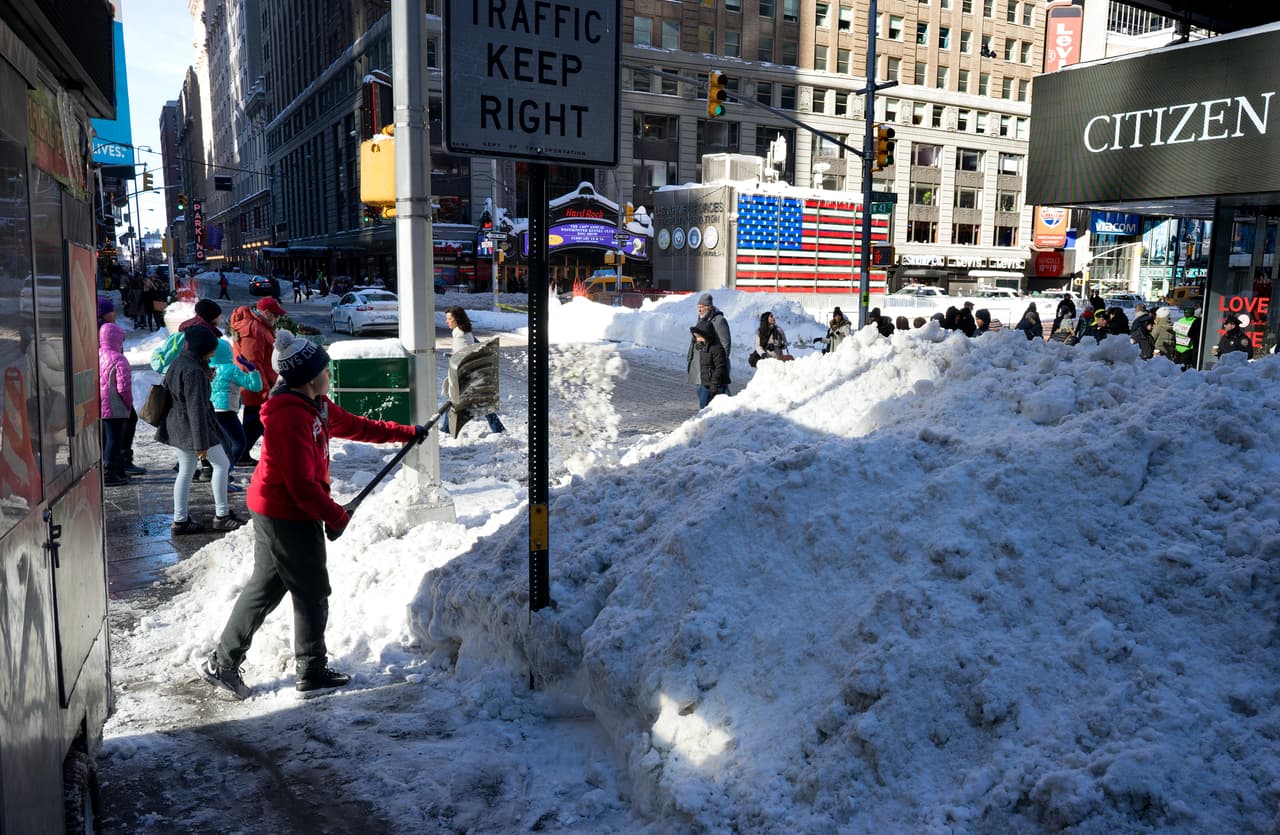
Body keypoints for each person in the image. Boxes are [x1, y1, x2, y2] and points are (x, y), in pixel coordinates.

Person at [200, 331, 426, 699]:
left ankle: (224, 662)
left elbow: (357, 426)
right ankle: (311, 669)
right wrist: (335, 516)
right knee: (311, 590)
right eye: (325, 370)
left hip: (284, 507)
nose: (330, 375)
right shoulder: (289, 418)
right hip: (284, 511)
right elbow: (301, 487)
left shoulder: (316, 406)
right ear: (307, 376)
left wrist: (406, 433)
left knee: (267, 586)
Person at [156, 325, 244, 535]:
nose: (213, 353)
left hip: (178, 426)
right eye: (211, 349)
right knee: (222, 464)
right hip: (192, 428)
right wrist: (201, 444)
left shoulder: (180, 362)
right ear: (202, 349)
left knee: (185, 473)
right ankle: (221, 516)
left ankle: (180, 520)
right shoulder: (194, 372)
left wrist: (206, 374)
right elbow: (195, 409)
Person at [230, 297, 285, 465]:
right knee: (257, 421)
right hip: (257, 384)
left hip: (259, 382)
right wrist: (264, 389)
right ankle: (238, 454)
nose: (277, 319)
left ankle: (241, 454)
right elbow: (252, 362)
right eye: (276, 315)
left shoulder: (259, 326)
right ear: (267, 313)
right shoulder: (253, 328)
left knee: (255, 422)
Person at [211, 336, 263, 490]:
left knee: (220, 444)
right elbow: (255, 386)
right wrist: (252, 370)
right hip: (226, 412)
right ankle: (223, 477)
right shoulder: (232, 369)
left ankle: (220, 475)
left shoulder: (207, 368)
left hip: (210, 411)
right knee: (239, 444)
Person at [442, 306, 505, 433]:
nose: (446, 321)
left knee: (455, 402)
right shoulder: (465, 332)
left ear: (457, 319)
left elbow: (463, 357)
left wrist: (455, 356)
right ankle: (498, 429)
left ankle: (445, 430)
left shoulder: (459, 334)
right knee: (481, 403)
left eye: (449, 319)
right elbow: (471, 348)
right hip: (472, 376)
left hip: (466, 377)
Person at [99, 320, 137, 486]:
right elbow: (124, 388)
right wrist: (128, 404)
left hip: (100, 405)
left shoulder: (97, 355)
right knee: (115, 439)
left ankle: (115, 470)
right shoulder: (119, 359)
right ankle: (109, 473)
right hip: (115, 406)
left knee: (107, 438)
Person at [150, 299, 224, 373]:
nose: (221, 318)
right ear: (212, 317)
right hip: (184, 376)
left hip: (176, 373)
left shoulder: (192, 329)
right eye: (219, 316)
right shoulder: (200, 335)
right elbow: (196, 359)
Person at [686, 293, 731, 395]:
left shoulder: (719, 321)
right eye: (698, 307)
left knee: (720, 395)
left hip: (713, 366)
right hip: (702, 365)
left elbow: (725, 344)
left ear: (709, 307)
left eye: (702, 307)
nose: (699, 310)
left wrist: (719, 365)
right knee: (702, 392)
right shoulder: (701, 319)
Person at [689, 320, 729, 409]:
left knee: (714, 409)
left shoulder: (717, 349)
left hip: (716, 385)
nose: (697, 339)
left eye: (699, 337)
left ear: (706, 335)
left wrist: (714, 384)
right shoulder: (703, 347)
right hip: (706, 383)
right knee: (703, 406)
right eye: (695, 337)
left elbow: (720, 367)